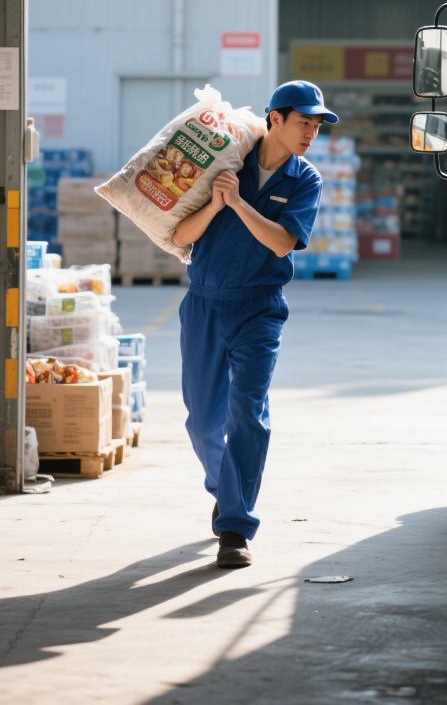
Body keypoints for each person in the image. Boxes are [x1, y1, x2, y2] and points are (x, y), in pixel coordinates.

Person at [172, 81, 339, 568]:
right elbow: (181, 235)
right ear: (275, 119)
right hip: (203, 305)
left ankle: (235, 529)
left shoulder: (304, 180)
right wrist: (216, 202)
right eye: (303, 121)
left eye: (316, 124)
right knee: (203, 422)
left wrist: (241, 206)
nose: (310, 132)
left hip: (259, 308)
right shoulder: (224, 163)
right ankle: (227, 491)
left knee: (248, 412)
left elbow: (284, 244)